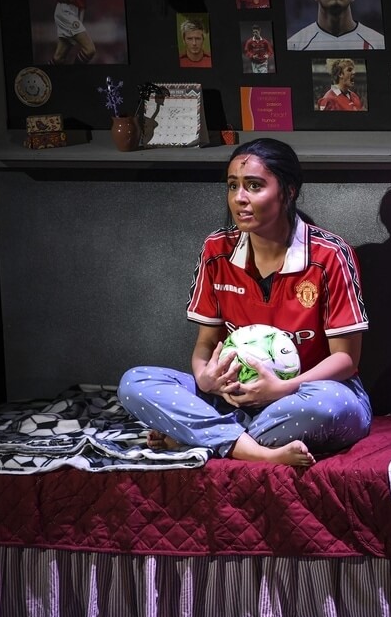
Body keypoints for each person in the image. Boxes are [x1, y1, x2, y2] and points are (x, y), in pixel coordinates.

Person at [118, 138, 372, 466]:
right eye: (232, 185)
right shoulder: (216, 250)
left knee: (327, 406)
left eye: (254, 186)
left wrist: (281, 389)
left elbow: (346, 359)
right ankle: (256, 450)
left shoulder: (330, 255)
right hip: (231, 397)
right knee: (135, 383)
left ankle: (201, 436)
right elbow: (206, 343)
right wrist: (204, 377)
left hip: (306, 395)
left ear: (288, 191)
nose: (239, 198)